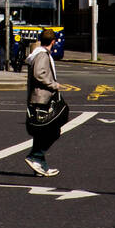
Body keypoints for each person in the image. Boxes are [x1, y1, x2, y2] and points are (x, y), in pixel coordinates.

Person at [24, 28, 66, 178]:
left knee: (41, 133)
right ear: (53, 42)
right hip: (42, 99)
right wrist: (53, 85)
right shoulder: (42, 55)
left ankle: (40, 165)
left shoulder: (39, 53)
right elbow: (39, 74)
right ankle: (35, 156)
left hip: (39, 98)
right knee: (53, 131)